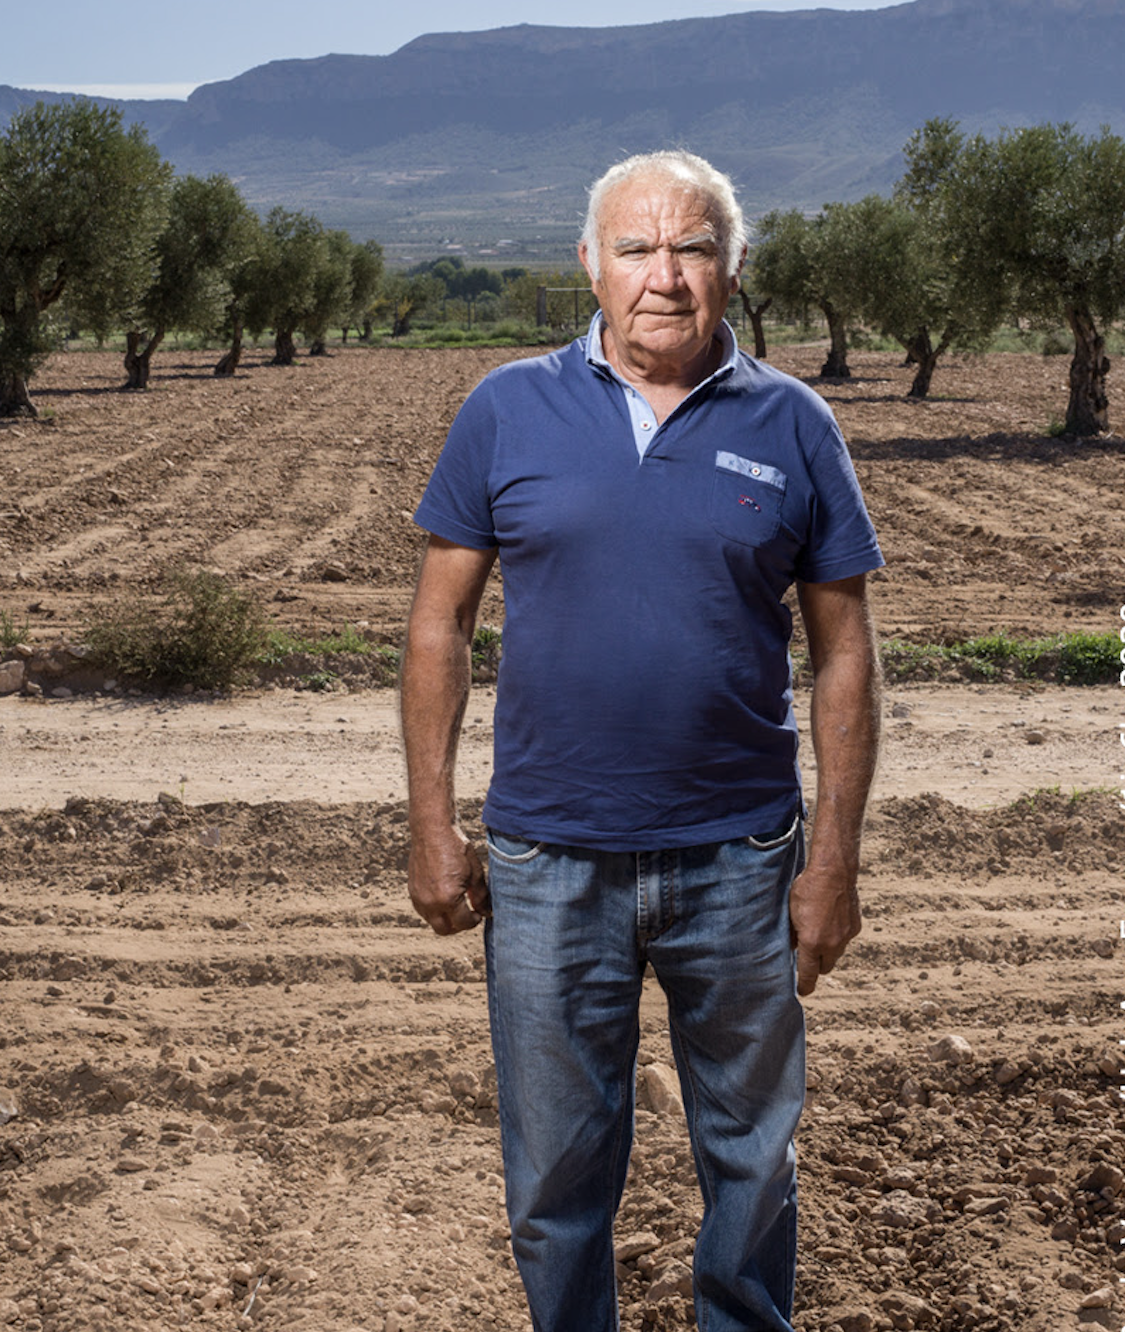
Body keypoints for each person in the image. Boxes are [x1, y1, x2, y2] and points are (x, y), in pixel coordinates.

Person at [399, 149, 883, 1332]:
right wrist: (429, 822)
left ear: (730, 265)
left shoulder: (793, 422)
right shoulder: (505, 406)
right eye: (635, 247)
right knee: (555, 1184)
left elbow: (844, 654)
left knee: (754, 1161)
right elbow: (437, 625)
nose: (662, 276)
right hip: (547, 861)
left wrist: (833, 859)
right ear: (589, 263)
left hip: (741, 861)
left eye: (691, 247)